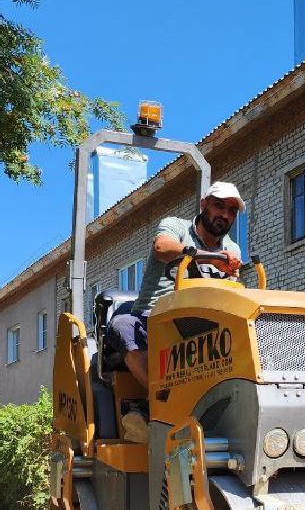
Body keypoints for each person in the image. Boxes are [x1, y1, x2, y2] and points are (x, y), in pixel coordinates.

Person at [105, 181, 245, 439]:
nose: (225, 215)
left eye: (232, 211)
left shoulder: (232, 249)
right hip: (153, 320)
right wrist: (209, 257)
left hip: (198, 327)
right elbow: (162, 248)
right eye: (219, 206)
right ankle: (160, 405)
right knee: (122, 325)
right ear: (203, 204)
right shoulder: (176, 227)